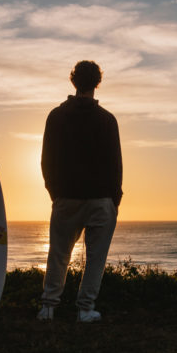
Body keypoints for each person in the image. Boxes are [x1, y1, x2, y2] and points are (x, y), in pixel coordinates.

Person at [37, 60, 123, 323]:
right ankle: (85, 309)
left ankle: (49, 307)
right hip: (100, 199)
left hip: (66, 197)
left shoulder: (56, 116)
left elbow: (46, 161)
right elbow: (115, 164)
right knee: (95, 259)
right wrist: (114, 199)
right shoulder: (107, 119)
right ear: (97, 83)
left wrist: (55, 193)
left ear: (73, 81)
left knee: (59, 254)